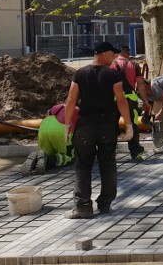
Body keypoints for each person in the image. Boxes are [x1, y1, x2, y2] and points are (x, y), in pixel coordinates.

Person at [63, 42, 133, 219]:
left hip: (85, 125)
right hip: (107, 126)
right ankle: (105, 204)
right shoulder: (113, 75)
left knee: (83, 166)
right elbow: (121, 100)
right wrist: (129, 125)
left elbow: (71, 100)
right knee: (108, 164)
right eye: (113, 54)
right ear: (103, 53)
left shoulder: (80, 74)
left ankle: (83, 207)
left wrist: (67, 125)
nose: (115, 57)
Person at [111, 44, 150, 161]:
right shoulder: (133, 65)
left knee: (111, 126)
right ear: (127, 53)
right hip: (130, 100)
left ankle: (109, 153)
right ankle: (135, 152)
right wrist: (145, 101)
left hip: (114, 99)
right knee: (132, 125)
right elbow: (141, 85)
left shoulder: (111, 64)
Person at [21, 103, 79, 175]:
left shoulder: (57, 107)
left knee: (44, 156)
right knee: (69, 157)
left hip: (43, 127)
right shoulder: (77, 111)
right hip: (60, 128)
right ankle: (49, 161)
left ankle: (34, 160)